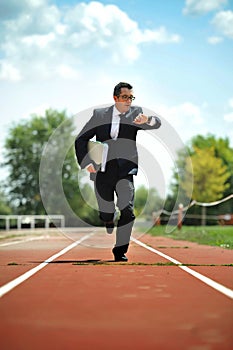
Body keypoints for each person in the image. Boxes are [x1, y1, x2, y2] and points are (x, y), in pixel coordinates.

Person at [75, 82, 161, 262]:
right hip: (103, 170)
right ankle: (108, 218)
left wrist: (148, 121)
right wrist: (87, 163)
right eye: (125, 97)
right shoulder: (99, 115)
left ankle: (120, 250)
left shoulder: (136, 113)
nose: (128, 101)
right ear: (115, 98)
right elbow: (81, 138)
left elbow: (156, 123)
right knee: (106, 211)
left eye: (131, 97)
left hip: (125, 170)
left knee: (128, 210)